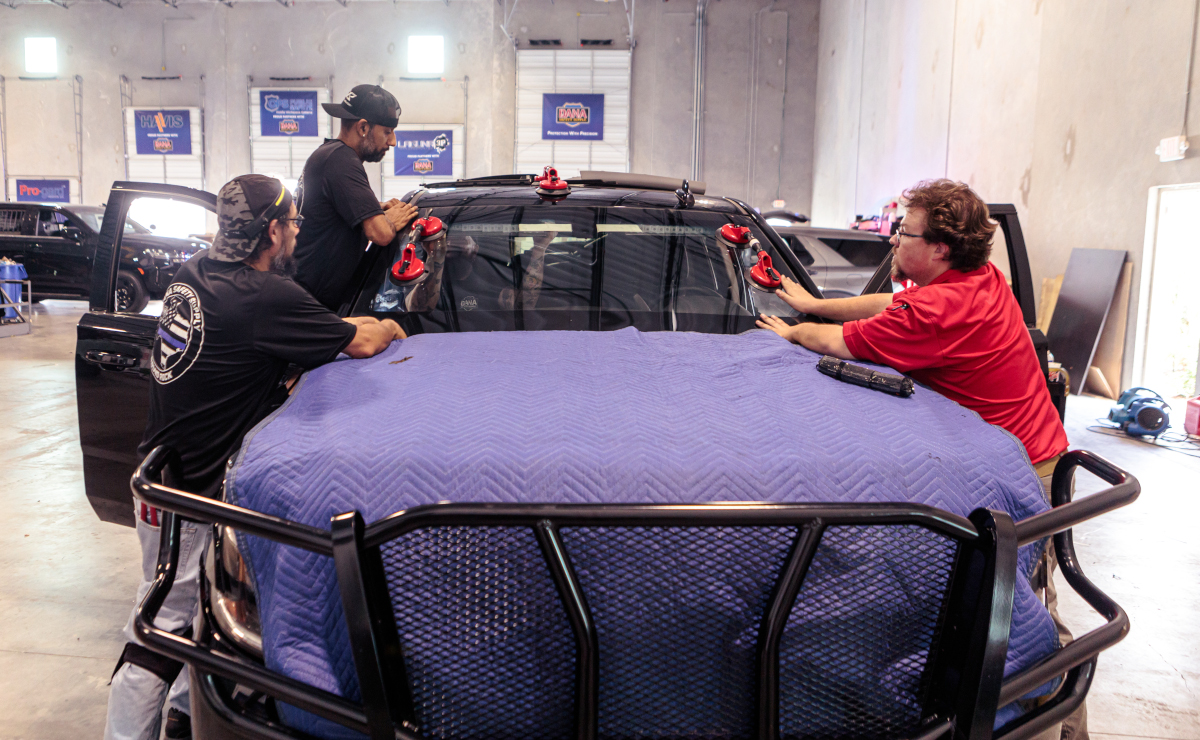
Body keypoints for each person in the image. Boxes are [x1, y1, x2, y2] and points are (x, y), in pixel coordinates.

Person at [757, 178, 1080, 740]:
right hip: (1037, 448)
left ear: (939, 249)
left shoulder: (936, 313)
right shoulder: (980, 278)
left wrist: (795, 330)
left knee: (1016, 609)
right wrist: (814, 302)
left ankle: (1049, 713)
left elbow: (841, 344)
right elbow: (893, 300)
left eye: (903, 234)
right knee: (1002, 598)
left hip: (1021, 473)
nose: (893, 243)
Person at [105, 175, 405, 740]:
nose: (296, 233)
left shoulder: (193, 275)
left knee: (198, 618)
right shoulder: (263, 298)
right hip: (193, 493)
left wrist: (356, 326)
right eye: (293, 224)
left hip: (164, 470)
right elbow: (362, 342)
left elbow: (329, 328)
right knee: (159, 632)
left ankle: (185, 716)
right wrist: (390, 325)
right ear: (272, 230)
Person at [293, 84, 419, 309]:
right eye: (387, 132)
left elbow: (328, 210)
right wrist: (389, 220)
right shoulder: (341, 161)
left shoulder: (328, 155)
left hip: (309, 299)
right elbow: (379, 234)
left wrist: (376, 208)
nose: (393, 142)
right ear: (363, 127)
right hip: (312, 305)